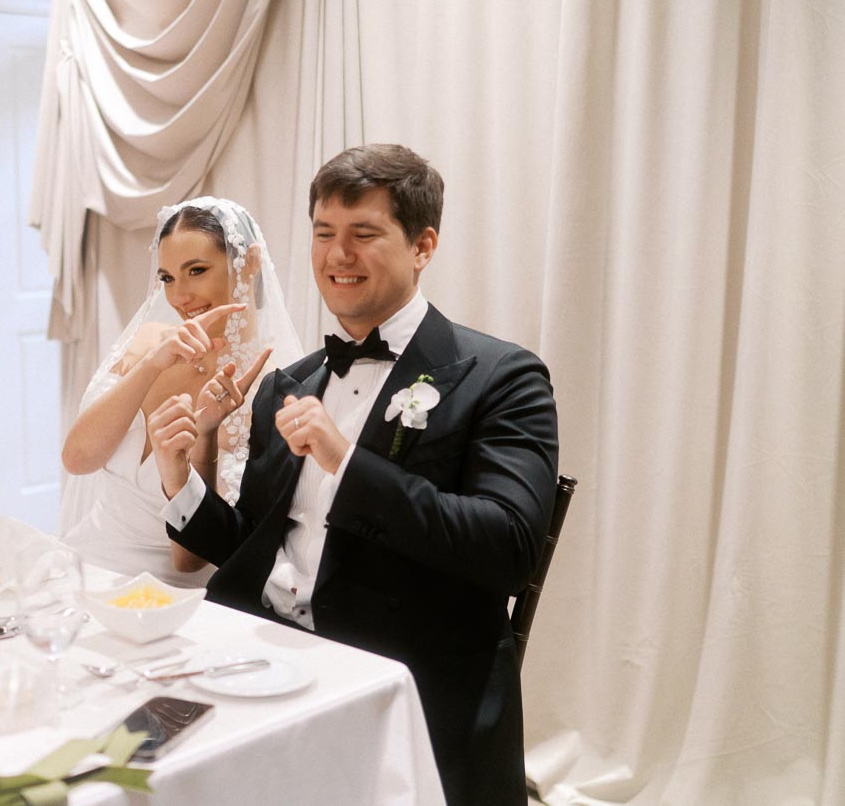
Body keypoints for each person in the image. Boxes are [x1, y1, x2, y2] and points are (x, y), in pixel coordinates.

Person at [149, 145, 559, 805]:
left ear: (423, 245)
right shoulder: (291, 381)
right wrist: (180, 479)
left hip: (397, 676)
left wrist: (346, 464)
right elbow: (253, 545)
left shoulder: (501, 378)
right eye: (323, 234)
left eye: (363, 234)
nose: (337, 255)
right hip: (262, 659)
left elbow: (507, 549)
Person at [59, 197, 302, 587]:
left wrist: (205, 439)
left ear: (249, 263)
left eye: (197, 271)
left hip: (171, 593)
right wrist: (152, 364)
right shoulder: (150, 343)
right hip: (81, 564)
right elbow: (78, 459)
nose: (179, 297)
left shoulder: (271, 387)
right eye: (168, 278)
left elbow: (195, 556)